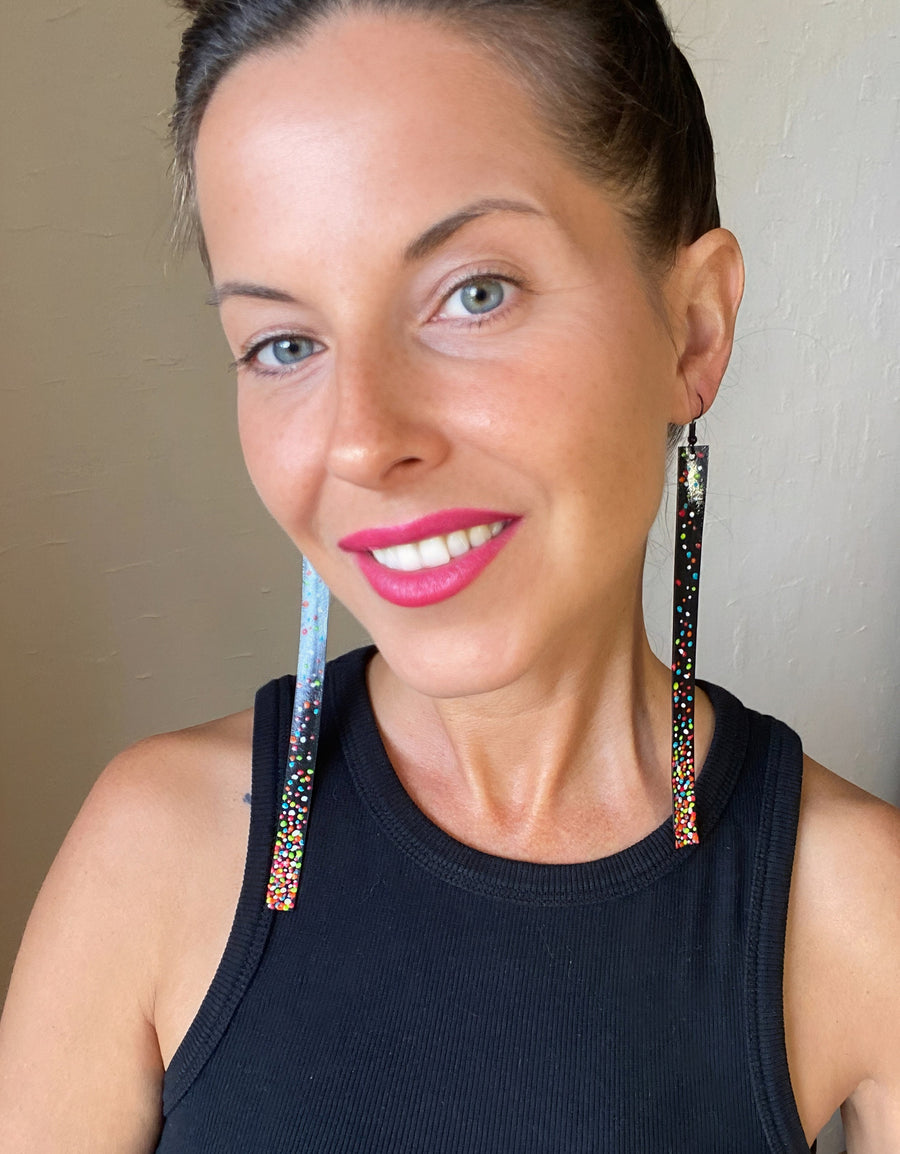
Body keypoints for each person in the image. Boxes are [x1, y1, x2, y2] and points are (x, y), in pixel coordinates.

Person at [0, 0, 897, 1149]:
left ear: (692, 329)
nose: (363, 438)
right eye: (286, 342)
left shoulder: (862, 911)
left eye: (474, 292)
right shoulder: (150, 850)